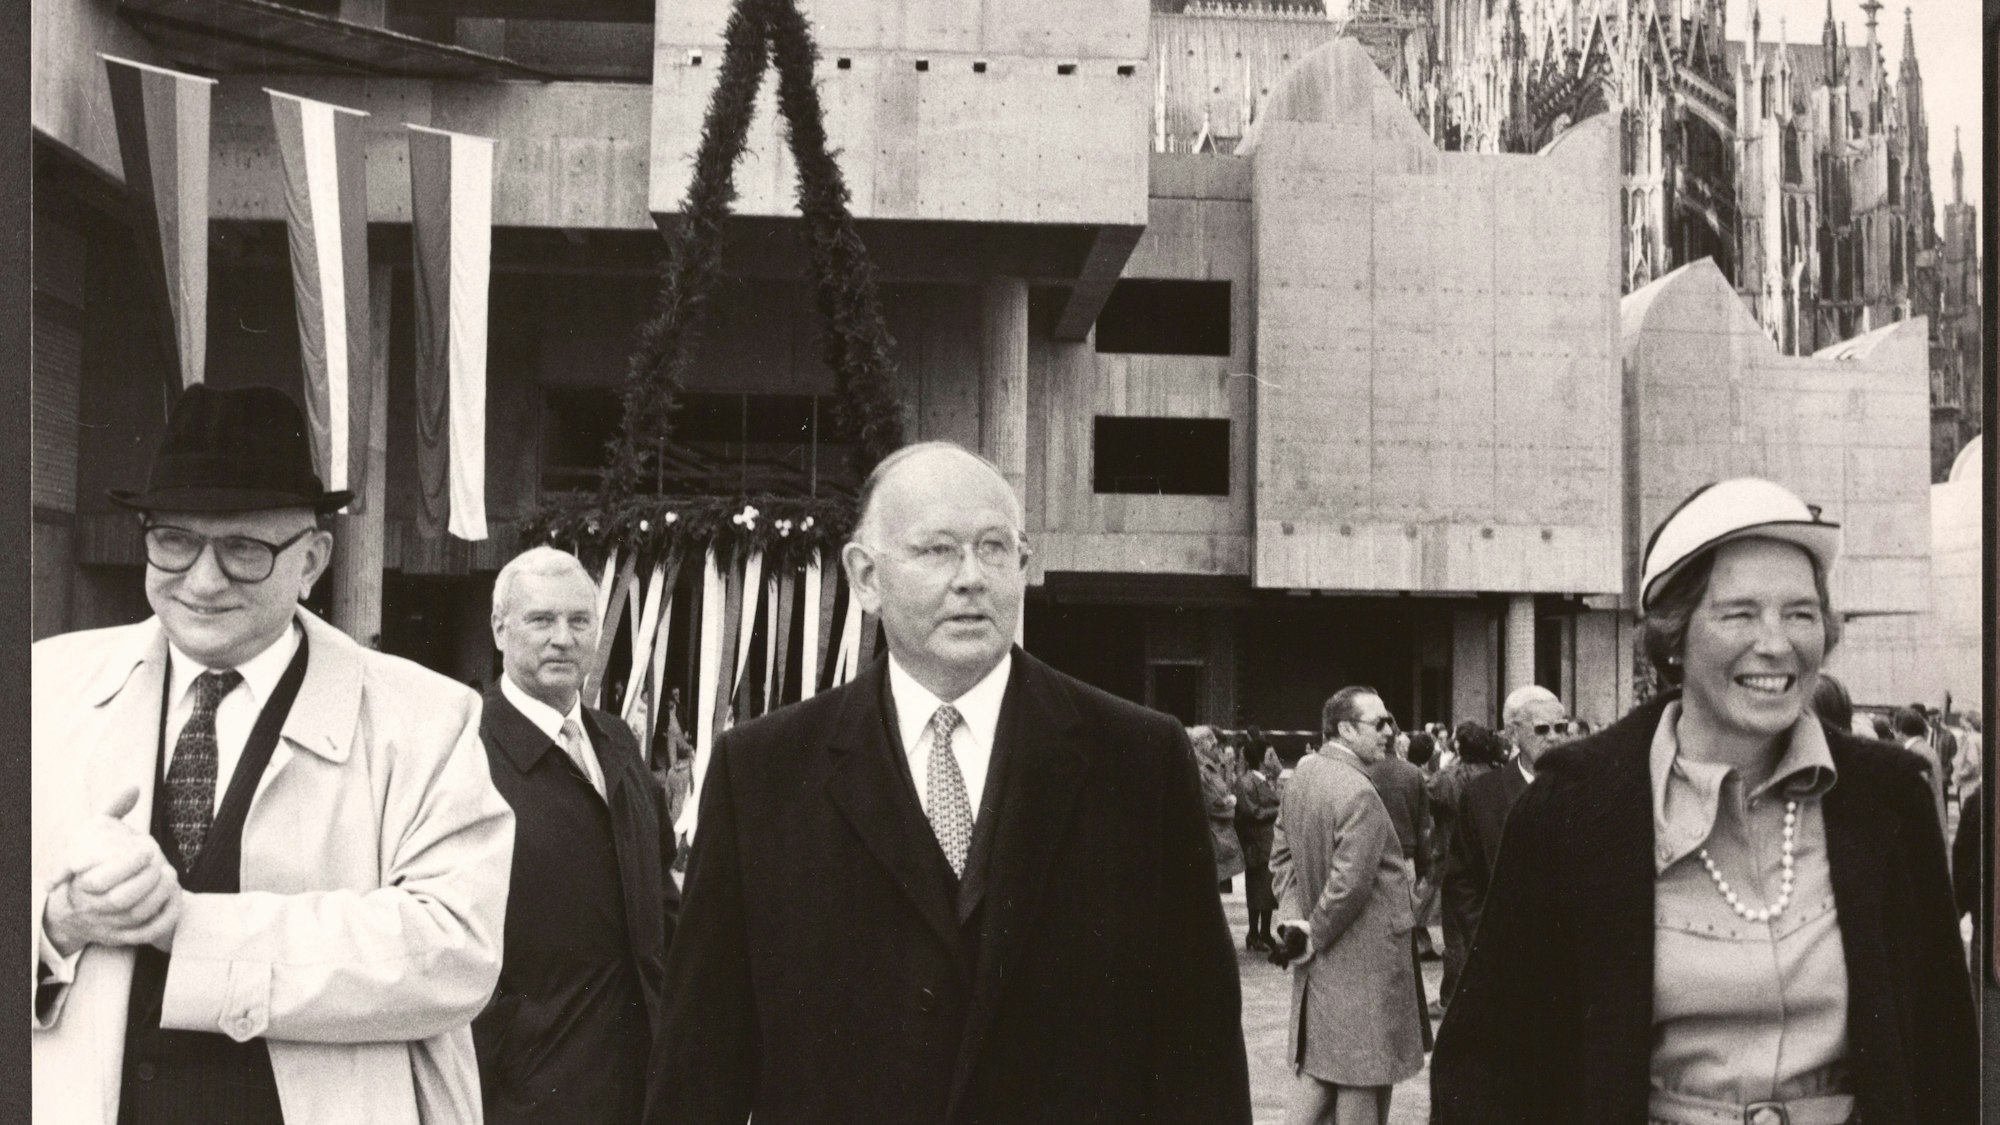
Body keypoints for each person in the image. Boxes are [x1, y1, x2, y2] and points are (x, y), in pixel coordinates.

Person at [650, 441, 1251, 1124]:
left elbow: (1199, 1053)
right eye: (937, 550)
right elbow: (699, 1065)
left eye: (994, 548)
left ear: (1022, 565)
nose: (971, 578)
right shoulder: (762, 772)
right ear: (865, 577)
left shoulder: (1139, 759)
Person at [30, 385, 514, 1124]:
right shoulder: (42, 687)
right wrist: (59, 922)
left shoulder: (426, 718)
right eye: (175, 540)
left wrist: (189, 928)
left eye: (244, 549)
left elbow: (456, 952)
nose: (202, 580)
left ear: (312, 559)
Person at [1433, 477, 1976, 1123]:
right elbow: (1488, 1065)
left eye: (1800, 613)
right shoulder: (1572, 806)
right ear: (1673, 634)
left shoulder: (1889, 798)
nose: (1776, 641)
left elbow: (1943, 1051)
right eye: (1740, 613)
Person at [476, 546, 681, 1123]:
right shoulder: (466, 752)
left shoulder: (618, 743)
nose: (562, 639)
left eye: (579, 620)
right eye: (541, 620)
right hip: (529, 1095)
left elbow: (662, 902)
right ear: (499, 628)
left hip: (645, 1086)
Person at [1273, 687, 1425, 1125]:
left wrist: (1296, 923)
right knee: (1363, 1077)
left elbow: (1281, 858)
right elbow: (1349, 884)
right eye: (1379, 723)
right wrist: (1312, 932)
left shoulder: (1302, 777)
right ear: (1345, 729)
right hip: (1365, 957)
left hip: (1325, 957)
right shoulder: (1359, 791)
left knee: (1327, 1069)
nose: (1389, 732)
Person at [1437, 685, 1569, 1022]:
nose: (1554, 738)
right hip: (1508, 960)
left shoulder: (1587, 787)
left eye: (1560, 727)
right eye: (1542, 729)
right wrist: (1487, 936)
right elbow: (1460, 878)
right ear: (1513, 733)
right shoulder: (1483, 795)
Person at [1425, 722, 1502, 1015]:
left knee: (1456, 938)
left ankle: (1452, 998)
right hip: (1493, 862)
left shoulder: (1448, 779)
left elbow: (1427, 801)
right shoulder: (1499, 776)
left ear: (1458, 746)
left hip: (1454, 864)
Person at [1236, 745, 1283, 951]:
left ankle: (1264, 932)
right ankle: (1254, 933)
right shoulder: (1246, 782)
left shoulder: (1264, 780)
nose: (1274, 758)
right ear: (1260, 758)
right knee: (1257, 889)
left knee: (1267, 889)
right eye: (1270, 755)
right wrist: (1277, 810)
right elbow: (1251, 812)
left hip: (1267, 842)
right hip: (1256, 842)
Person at [1194, 725, 1247, 890]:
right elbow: (1213, 804)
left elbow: (1224, 792)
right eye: (1214, 745)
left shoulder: (1210, 767)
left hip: (1218, 836)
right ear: (1203, 746)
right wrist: (1231, 805)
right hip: (1213, 836)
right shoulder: (1202, 770)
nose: (1217, 749)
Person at [1892, 705, 1949, 838]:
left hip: (1920, 828)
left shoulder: (1912, 754)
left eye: (1893, 729)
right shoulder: (1927, 749)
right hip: (1933, 822)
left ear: (1900, 731)